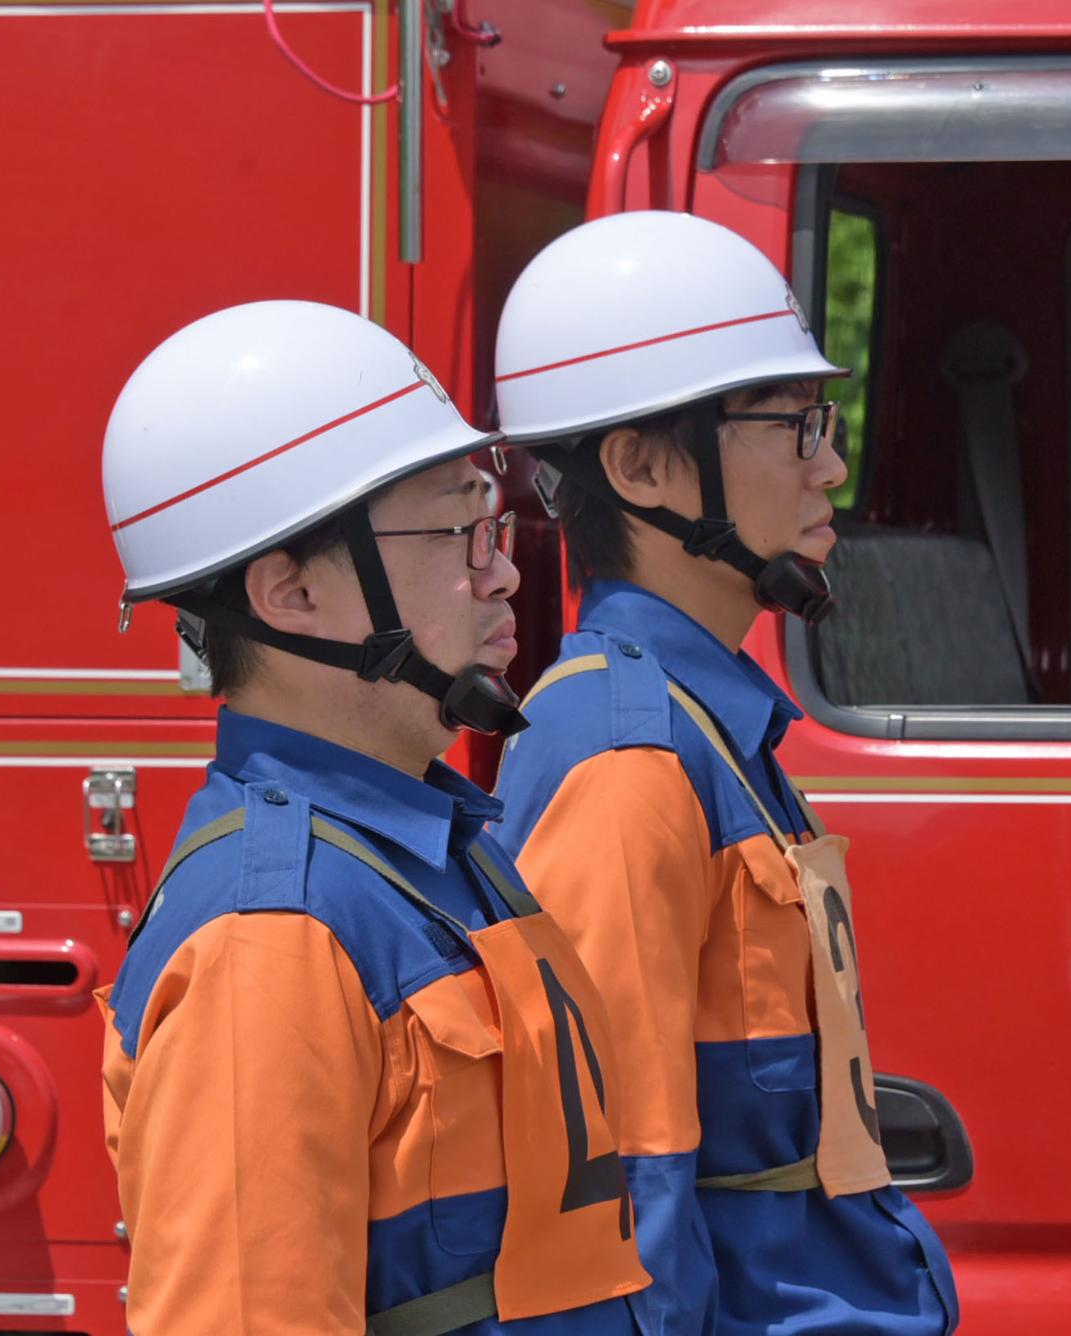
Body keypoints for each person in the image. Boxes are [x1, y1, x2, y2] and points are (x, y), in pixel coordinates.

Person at [95, 300, 649, 1335]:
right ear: (291, 592)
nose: (506, 571)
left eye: (495, 527)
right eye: (458, 532)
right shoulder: (272, 937)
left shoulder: (437, 853)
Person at [486, 211, 959, 1335]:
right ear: (641, 465)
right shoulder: (625, 757)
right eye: (790, 427)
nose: (830, 464)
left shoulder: (707, 729)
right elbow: (621, 1190)